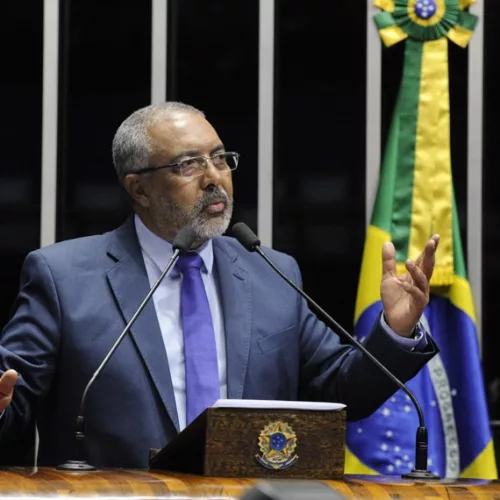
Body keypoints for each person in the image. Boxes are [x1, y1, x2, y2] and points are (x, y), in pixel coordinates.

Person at [0, 102, 439, 468]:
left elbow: (343, 393)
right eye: (188, 164)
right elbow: (13, 403)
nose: (214, 177)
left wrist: (395, 331)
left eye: (220, 158)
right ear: (139, 188)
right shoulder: (63, 276)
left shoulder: (270, 273)